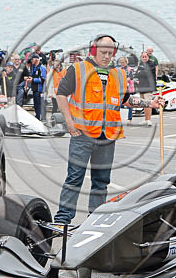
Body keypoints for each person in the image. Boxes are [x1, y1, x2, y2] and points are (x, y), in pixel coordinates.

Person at [53, 35, 163, 225]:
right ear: (93, 50)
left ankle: (94, 219)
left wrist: (149, 103)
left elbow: (125, 99)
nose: (106, 56)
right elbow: (61, 94)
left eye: (110, 53)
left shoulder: (118, 74)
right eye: (103, 52)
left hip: (107, 136)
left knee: (101, 180)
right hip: (82, 134)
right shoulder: (78, 69)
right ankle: (62, 219)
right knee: (74, 178)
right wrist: (69, 123)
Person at [134, 51, 157, 126]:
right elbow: (137, 74)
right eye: (143, 57)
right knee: (143, 104)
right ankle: (145, 119)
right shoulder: (140, 64)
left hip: (148, 87)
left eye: (145, 57)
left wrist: (141, 73)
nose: (144, 58)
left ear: (148, 57)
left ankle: (149, 119)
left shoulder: (151, 64)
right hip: (141, 86)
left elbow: (146, 73)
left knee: (148, 104)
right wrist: (140, 73)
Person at [28, 54, 47, 121]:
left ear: (36, 59)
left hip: (40, 89)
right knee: (36, 104)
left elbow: (43, 79)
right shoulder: (33, 67)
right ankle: (37, 116)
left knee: (40, 104)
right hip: (34, 88)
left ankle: (42, 117)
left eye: (32, 59)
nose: (31, 61)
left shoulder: (42, 68)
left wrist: (33, 80)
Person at [117, 56, 136, 123]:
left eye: (123, 62)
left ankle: (129, 118)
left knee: (128, 103)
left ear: (126, 62)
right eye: (121, 62)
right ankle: (120, 117)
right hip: (121, 88)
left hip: (128, 87)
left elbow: (130, 78)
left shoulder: (129, 69)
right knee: (120, 103)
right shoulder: (119, 69)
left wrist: (123, 80)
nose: (122, 64)